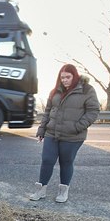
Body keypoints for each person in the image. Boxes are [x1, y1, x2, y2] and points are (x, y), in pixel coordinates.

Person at [29, 64, 100, 203]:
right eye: (62, 77)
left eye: (68, 77)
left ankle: (63, 191)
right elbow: (48, 112)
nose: (65, 80)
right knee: (47, 160)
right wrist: (42, 129)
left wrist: (78, 126)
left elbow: (93, 111)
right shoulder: (55, 91)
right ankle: (41, 190)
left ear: (75, 76)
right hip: (52, 132)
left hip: (73, 135)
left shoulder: (87, 90)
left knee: (66, 162)